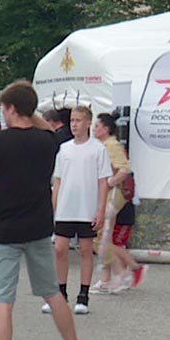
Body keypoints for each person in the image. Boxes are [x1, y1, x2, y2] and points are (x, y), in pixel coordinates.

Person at [0, 80, 89, 340]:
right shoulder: (47, 141)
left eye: (4, 108)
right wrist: (29, 108)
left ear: (10, 109)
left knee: (3, 300)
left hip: (6, 230)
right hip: (38, 226)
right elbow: (46, 129)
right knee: (53, 293)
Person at [49, 105, 111, 316]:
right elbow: (58, 180)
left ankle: (83, 295)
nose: (74, 124)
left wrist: (100, 210)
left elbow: (103, 182)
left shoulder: (98, 149)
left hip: (86, 207)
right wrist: (53, 206)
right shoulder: (64, 149)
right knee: (60, 249)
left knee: (85, 250)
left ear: (87, 123)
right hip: (66, 207)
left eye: (78, 120)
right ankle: (60, 293)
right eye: (72, 120)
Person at [92, 112, 144, 293]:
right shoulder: (104, 145)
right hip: (108, 195)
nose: (94, 129)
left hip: (113, 196)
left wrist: (110, 182)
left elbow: (125, 168)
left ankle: (123, 272)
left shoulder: (111, 145)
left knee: (101, 237)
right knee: (102, 236)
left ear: (105, 129)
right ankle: (108, 277)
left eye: (96, 126)